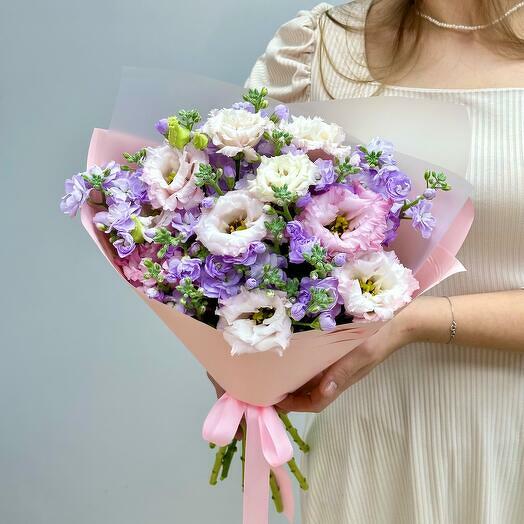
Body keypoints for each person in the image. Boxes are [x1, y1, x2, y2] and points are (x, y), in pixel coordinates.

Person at [242, 1, 524, 522]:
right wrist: (240, 341)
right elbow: (237, 231)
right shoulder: (318, 49)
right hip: (372, 436)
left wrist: (415, 320)